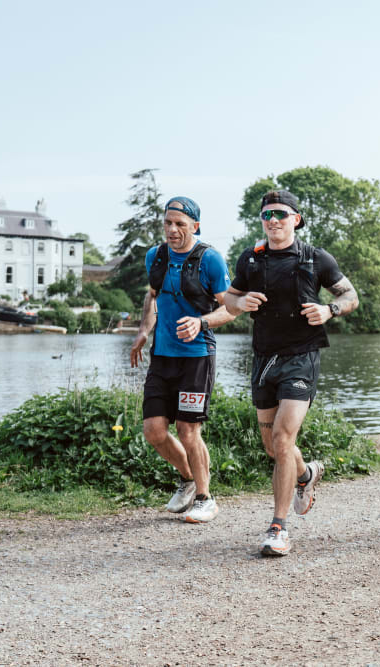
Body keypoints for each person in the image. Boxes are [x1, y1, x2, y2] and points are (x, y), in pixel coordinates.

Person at [224, 189, 359, 556]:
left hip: (302, 357)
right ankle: (306, 474)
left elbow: (350, 297)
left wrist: (329, 310)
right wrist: (241, 301)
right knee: (272, 446)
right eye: (267, 214)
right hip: (264, 358)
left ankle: (278, 528)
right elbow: (229, 299)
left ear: (296, 219)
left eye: (281, 214)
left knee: (283, 439)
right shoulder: (251, 259)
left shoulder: (316, 258)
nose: (273, 220)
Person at [130, 196, 234, 523]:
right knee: (154, 431)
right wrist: (144, 331)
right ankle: (188, 480)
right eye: (168, 223)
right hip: (162, 357)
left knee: (189, 430)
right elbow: (153, 296)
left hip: (196, 357)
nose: (172, 230)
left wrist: (201, 322)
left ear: (195, 226)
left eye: (180, 224)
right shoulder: (155, 256)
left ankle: (205, 498)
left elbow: (231, 308)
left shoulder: (210, 260)